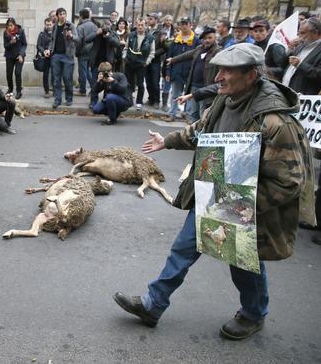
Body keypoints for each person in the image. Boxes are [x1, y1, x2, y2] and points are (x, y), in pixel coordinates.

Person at [114, 43, 314, 341]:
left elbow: (288, 181)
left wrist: (240, 207)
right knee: (182, 250)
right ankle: (152, 305)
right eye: (218, 69)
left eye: (226, 71)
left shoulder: (275, 121)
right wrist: (166, 141)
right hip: (214, 192)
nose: (218, 76)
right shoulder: (223, 101)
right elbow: (199, 131)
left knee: (244, 264)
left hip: (246, 205)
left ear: (251, 75)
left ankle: (253, 314)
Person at [169, 26, 220, 121]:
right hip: (194, 86)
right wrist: (172, 60)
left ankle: (202, 134)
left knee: (204, 115)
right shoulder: (199, 49)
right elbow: (186, 55)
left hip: (206, 88)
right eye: (205, 38)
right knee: (193, 114)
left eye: (210, 38)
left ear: (215, 38)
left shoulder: (218, 52)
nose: (207, 40)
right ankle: (194, 134)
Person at [164, 17, 198, 122]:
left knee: (189, 95)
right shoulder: (175, 40)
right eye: (182, 24)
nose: (184, 26)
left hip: (190, 73)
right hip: (176, 72)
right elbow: (169, 57)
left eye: (186, 23)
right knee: (175, 94)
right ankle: (172, 114)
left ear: (190, 24)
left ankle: (188, 115)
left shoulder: (196, 40)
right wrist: (168, 72)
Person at [48, 7, 78, 108]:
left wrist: (71, 36)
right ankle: (57, 99)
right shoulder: (55, 26)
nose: (62, 16)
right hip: (56, 56)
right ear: (57, 16)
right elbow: (52, 40)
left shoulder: (71, 25)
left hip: (67, 56)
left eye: (64, 14)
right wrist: (49, 50)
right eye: (60, 14)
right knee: (56, 80)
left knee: (67, 78)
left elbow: (78, 39)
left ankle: (69, 98)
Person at [282, 18, 321, 95]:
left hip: (303, 96)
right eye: (299, 33)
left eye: (303, 33)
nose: (299, 36)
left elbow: (319, 74)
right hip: (286, 91)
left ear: (315, 33)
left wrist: (300, 65)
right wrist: (289, 49)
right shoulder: (301, 44)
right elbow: (283, 64)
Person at [125, 17, 155, 109]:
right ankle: (128, 100)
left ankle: (139, 102)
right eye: (138, 25)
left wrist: (147, 62)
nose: (140, 27)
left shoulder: (150, 37)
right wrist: (124, 57)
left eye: (142, 25)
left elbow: (152, 52)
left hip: (141, 64)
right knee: (128, 83)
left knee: (140, 83)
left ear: (145, 26)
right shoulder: (131, 35)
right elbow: (126, 48)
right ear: (136, 25)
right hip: (130, 62)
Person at [75, 8, 98, 96]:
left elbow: (79, 41)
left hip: (83, 51)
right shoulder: (94, 25)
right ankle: (93, 88)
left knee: (83, 72)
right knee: (88, 71)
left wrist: (77, 52)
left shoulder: (81, 27)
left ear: (81, 16)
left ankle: (82, 90)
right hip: (92, 52)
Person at [3, 17, 27, 99]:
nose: (10, 27)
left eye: (11, 25)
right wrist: (10, 42)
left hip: (19, 56)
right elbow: (5, 46)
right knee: (8, 74)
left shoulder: (20, 32)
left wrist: (21, 54)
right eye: (8, 26)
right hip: (9, 56)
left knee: (17, 73)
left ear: (14, 25)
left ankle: (19, 91)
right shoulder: (5, 33)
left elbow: (24, 44)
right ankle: (10, 89)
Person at [37, 17, 54, 97]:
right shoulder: (41, 34)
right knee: (46, 74)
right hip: (45, 57)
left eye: (50, 24)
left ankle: (55, 90)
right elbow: (38, 45)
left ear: (53, 24)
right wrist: (43, 51)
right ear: (45, 25)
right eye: (47, 25)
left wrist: (50, 51)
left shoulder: (55, 33)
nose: (49, 26)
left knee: (55, 74)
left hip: (54, 56)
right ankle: (46, 90)